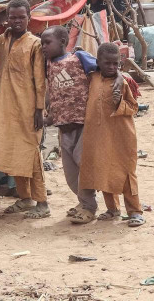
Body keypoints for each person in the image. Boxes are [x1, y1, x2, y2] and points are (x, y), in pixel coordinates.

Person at [41, 26, 121, 225]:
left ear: (62, 42)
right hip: (63, 126)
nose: (44, 47)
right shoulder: (47, 63)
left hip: (84, 124)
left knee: (84, 167)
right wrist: (49, 115)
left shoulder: (79, 58)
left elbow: (107, 69)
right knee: (71, 174)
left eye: (47, 43)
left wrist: (118, 76)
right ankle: (83, 201)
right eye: (42, 43)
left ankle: (89, 207)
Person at [0, 0, 49, 219]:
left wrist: (39, 110)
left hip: (28, 107)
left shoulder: (35, 44)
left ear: (29, 17)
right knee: (13, 151)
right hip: (5, 108)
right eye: (13, 17)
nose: (17, 21)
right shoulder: (2, 40)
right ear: (7, 18)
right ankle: (25, 199)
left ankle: (42, 202)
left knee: (31, 152)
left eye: (21, 17)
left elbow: (40, 79)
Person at [79, 43, 144, 228]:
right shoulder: (92, 78)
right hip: (98, 135)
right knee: (103, 169)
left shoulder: (123, 82)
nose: (112, 67)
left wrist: (119, 103)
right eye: (107, 63)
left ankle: (135, 211)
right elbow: (80, 54)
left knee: (125, 172)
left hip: (122, 135)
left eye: (115, 64)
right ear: (98, 62)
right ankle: (113, 209)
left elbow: (134, 107)